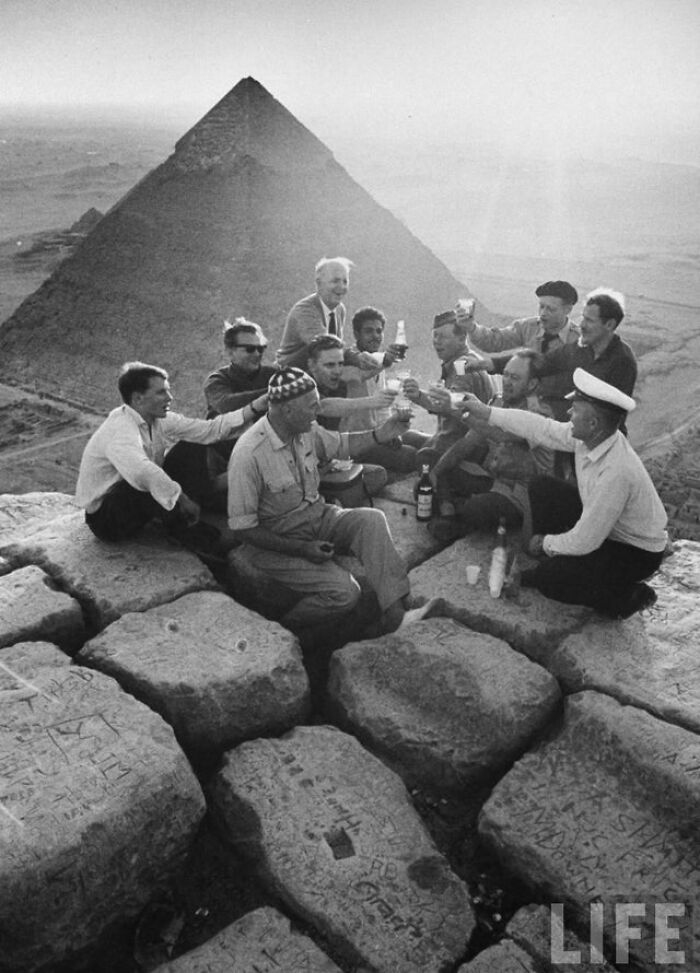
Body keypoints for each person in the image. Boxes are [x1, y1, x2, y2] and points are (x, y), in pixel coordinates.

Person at [227, 367, 435, 633]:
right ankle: (285, 633)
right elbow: (243, 529)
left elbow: (342, 445)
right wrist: (301, 549)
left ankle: (395, 615)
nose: (318, 411)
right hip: (275, 543)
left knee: (370, 519)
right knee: (345, 592)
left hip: (318, 516)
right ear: (287, 410)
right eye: (312, 406)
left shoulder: (305, 428)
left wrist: (381, 433)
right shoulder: (249, 454)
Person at [459, 368, 668, 619]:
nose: (569, 413)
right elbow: (540, 428)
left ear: (593, 424)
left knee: (550, 580)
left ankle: (626, 595)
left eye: (576, 410)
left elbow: (586, 540)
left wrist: (545, 543)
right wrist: (487, 411)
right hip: (607, 529)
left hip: (634, 551)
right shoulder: (593, 437)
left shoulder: (617, 472)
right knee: (543, 487)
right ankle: (558, 561)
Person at [76, 361, 266, 542]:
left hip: (135, 505)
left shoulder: (157, 419)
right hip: (108, 521)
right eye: (161, 392)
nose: (170, 397)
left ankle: (193, 509)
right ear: (137, 398)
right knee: (143, 479)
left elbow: (209, 430)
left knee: (193, 445)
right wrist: (181, 499)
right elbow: (142, 472)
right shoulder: (120, 428)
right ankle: (182, 528)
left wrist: (256, 406)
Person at [429, 350, 555, 537]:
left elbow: (500, 434)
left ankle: (456, 511)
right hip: (491, 480)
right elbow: (467, 442)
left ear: (532, 384)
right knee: (429, 460)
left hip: (518, 494)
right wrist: (435, 473)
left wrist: (457, 411)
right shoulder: (498, 401)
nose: (506, 381)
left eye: (514, 377)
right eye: (505, 374)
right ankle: (450, 510)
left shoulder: (539, 414)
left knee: (477, 508)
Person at [457, 280, 579, 419]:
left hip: (554, 409)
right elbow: (494, 341)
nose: (543, 313)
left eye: (550, 309)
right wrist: (471, 327)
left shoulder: (577, 340)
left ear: (567, 310)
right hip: (519, 401)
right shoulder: (528, 327)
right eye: (541, 307)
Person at [402, 309, 494, 466]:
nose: (436, 341)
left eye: (443, 337)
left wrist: (418, 396)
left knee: (404, 455)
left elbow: (449, 404)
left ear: (462, 338)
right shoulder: (471, 359)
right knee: (405, 437)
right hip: (452, 438)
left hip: (461, 447)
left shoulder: (461, 366)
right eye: (435, 336)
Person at [338, 307, 418, 472]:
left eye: (379, 331)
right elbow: (358, 373)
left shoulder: (378, 363)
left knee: (424, 441)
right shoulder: (348, 362)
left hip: (380, 433)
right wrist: (386, 361)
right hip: (358, 441)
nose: (375, 336)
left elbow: (382, 411)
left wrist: (390, 433)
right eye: (369, 331)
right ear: (356, 334)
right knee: (411, 456)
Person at [533, 287, 637, 398]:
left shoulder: (622, 361)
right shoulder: (580, 349)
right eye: (583, 318)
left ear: (609, 325)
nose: (582, 325)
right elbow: (543, 363)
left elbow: (612, 410)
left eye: (589, 320)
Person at [276, 257, 377, 371]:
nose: (342, 287)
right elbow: (326, 347)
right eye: (335, 281)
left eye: (345, 281)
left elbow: (338, 350)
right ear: (319, 284)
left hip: (321, 372)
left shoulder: (340, 309)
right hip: (290, 375)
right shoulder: (305, 310)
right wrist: (357, 358)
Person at [203, 316, 275, 461]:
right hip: (228, 456)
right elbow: (226, 404)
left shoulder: (274, 375)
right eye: (250, 349)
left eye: (261, 348)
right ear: (230, 352)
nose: (257, 354)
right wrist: (274, 393)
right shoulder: (217, 380)